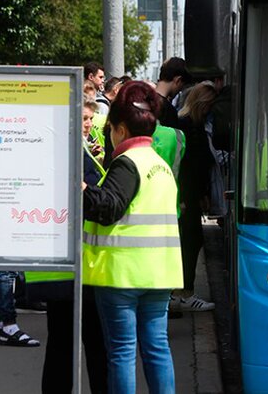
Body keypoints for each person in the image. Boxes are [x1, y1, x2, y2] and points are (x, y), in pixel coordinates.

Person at [82, 81, 183, 393]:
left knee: (122, 352)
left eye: (111, 129)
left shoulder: (127, 163)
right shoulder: (160, 165)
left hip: (122, 275)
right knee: (157, 348)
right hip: (159, 274)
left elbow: (108, 207)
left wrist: (81, 189)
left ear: (121, 129)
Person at [24, 98, 107, 394]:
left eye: (90, 119)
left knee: (60, 344)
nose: (89, 125)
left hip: (56, 266)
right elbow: (94, 202)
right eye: (84, 119)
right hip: (80, 267)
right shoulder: (75, 155)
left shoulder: (48, 150)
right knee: (94, 344)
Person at [171, 81, 220, 312]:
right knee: (190, 242)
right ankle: (183, 292)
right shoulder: (189, 125)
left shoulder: (191, 123)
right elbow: (188, 165)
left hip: (190, 193)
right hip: (186, 194)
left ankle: (182, 291)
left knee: (191, 241)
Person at [155, 57, 192, 130]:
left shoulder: (144, 100)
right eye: (182, 86)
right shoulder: (169, 111)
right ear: (178, 80)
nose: (180, 91)